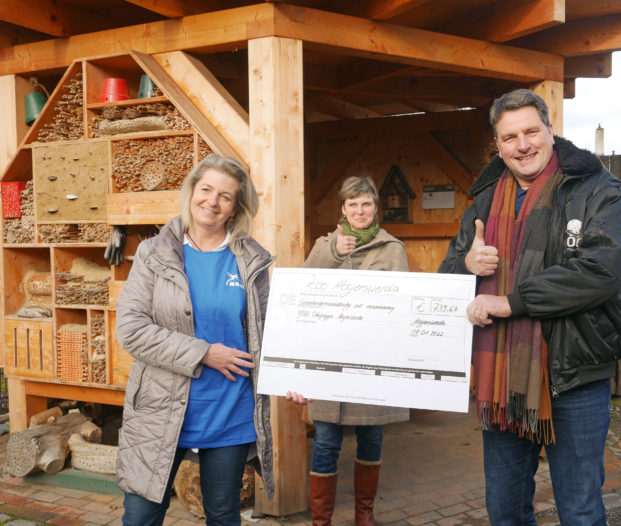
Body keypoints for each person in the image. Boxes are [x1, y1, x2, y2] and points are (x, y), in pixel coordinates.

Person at [438, 89, 621, 526]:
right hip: (502, 379)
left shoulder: (598, 190)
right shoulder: (486, 198)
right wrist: (466, 265)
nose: (522, 144)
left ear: (550, 130)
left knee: (581, 510)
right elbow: (447, 276)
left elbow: (602, 272)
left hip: (574, 374)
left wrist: (510, 303)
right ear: (498, 145)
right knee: (505, 511)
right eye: (510, 137)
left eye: (531, 131)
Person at [115, 154, 275, 526]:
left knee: (222, 515)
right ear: (191, 193)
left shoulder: (252, 261)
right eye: (206, 190)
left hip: (229, 407)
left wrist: (294, 378)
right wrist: (203, 353)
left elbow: (267, 335)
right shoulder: (153, 254)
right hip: (159, 408)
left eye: (225, 196)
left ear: (235, 209)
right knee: (140, 517)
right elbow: (132, 329)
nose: (212, 201)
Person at [287, 175, 409, 526]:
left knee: (372, 437)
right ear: (343, 209)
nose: (359, 210)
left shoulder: (392, 249)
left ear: (375, 208)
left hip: (373, 362)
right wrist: (333, 255)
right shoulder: (324, 245)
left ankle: (364, 515)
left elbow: (399, 305)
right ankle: (321, 521)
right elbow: (304, 289)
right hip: (330, 361)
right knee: (326, 440)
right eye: (352, 204)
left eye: (366, 204)